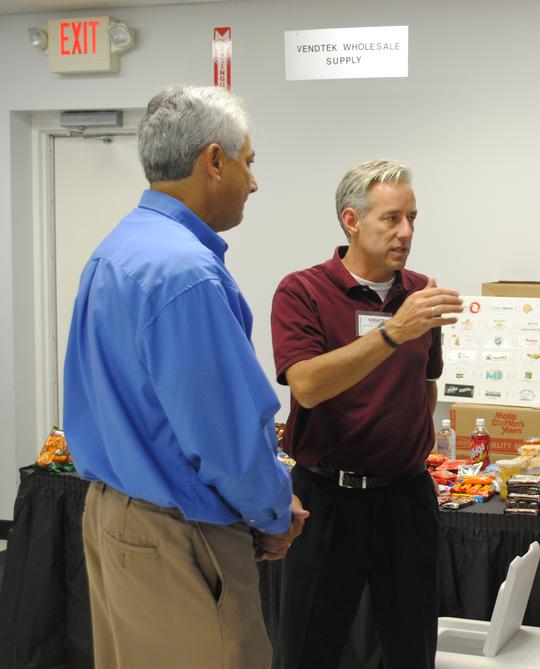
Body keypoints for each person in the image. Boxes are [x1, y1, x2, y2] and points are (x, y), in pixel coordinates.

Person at [62, 84, 307, 669]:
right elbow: (224, 438)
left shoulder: (117, 248)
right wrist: (275, 513)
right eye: (248, 163)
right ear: (213, 161)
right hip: (179, 533)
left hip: (114, 512)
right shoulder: (186, 273)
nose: (254, 181)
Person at [270, 159, 463, 668]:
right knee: (309, 648)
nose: (406, 232)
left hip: (405, 499)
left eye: (413, 218)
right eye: (391, 218)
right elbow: (307, 387)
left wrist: (407, 444)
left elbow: (426, 384)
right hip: (325, 500)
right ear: (352, 221)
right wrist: (393, 331)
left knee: (411, 650)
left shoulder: (420, 293)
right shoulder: (302, 291)